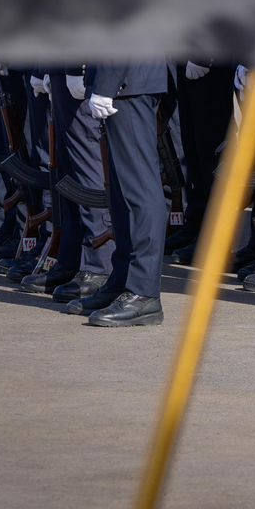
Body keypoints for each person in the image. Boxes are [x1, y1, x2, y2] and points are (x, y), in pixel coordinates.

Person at [77, 59, 170, 327]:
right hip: (126, 82)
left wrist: (107, 83)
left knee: (140, 191)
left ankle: (144, 292)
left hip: (128, 80)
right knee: (122, 193)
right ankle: (123, 281)